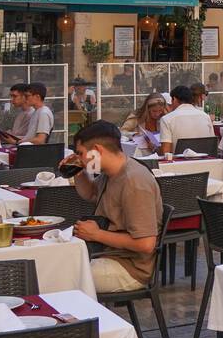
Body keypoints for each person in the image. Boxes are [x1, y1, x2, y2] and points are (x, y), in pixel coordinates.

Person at [61, 120, 164, 294]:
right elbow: (92, 194)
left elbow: (146, 243)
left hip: (129, 268)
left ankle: (75, 320)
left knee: (60, 275)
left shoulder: (134, 181)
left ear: (97, 150)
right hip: (106, 255)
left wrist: (96, 234)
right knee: (54, 263)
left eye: (80, 153)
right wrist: (78, 170)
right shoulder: (112, 171)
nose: (78, 157)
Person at [156, 84, 212, 155]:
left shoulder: (167, 119)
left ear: (175, 99)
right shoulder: (205, 117)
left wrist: (155, 149)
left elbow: (166, 152)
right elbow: (211, 144)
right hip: (206, 162)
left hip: (179, 163)